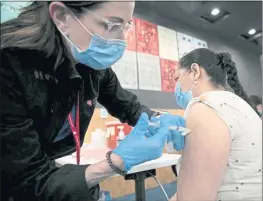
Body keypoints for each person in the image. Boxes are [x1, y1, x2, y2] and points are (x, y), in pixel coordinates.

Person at [0, 1, 185, 201]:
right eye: (112, 25)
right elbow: (26, 179)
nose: (121, 40)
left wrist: (157, 118)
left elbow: (127, 106)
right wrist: (115, 162)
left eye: (126, 26)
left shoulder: (93, 65)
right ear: (62, 16)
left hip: (57, 176)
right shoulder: (9, 65)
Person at [169, 48, 262, 201]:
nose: (176, 86)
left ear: (195, 72)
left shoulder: (204, 107)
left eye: (177, 78)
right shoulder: (240, 104)